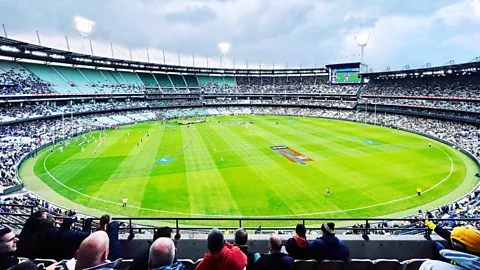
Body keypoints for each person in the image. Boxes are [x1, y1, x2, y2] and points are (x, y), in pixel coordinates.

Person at [416, 216, 480, 260]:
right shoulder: (475, 252)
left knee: (437, 245)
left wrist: (424, 220)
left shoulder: (453, 240)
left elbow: (437, 229)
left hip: (448, 257)